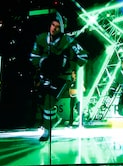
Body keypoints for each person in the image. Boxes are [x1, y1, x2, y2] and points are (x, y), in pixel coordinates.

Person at [30, 12, 88, 141]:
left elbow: (83, 56)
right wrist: (43, 63)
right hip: (44, 77)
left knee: (49, 102)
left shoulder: (68, 40)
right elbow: (33, 57)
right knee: (42, 102)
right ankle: (52, 119)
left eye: (57, 26)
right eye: (52, 25)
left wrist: (69, 66)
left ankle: (46, 130)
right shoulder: (41, 38)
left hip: (61, 78)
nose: (53, 28)